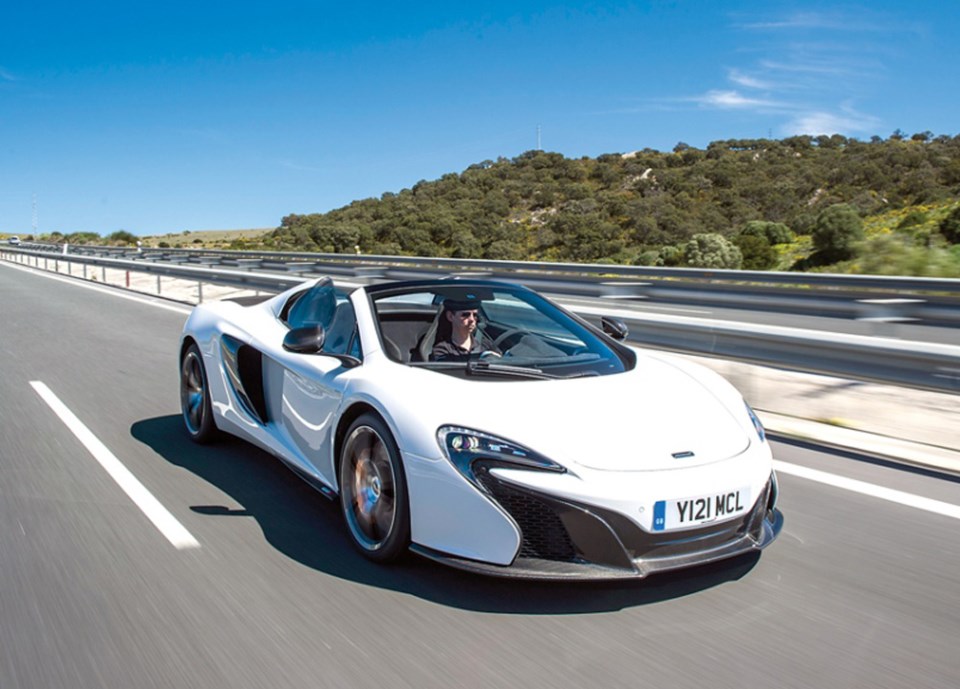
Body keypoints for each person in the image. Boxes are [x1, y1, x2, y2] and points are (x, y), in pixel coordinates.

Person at [430, 298, 501, 361]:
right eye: (465, 315)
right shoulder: (442, 350)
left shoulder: (485, 344)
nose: (472, 319)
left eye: (475, 315)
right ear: (450, 316)